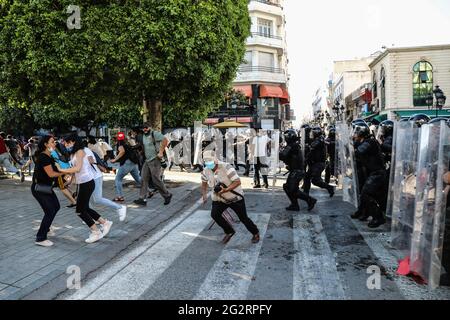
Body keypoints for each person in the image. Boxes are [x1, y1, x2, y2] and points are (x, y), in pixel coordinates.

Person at [58, 134, 113, 243]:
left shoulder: (80, 152)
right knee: (85, 208)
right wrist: (70, 180)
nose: (66, 145)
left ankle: (95, 232)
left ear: (74, 142)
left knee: (80, 210)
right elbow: (75, 169)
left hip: (87, 183)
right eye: (65, 143)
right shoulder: (73, 153)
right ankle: (105, 223)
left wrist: (61, 170)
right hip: (83, 183)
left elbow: (77, 168)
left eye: (68, 142)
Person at [201, 151, 260, 244]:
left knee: (243, 218)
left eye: (209, 160)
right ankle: (229, 231)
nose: (208, 163)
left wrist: (226, 190)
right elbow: (204, 183)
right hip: (219, 199)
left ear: (215, 159)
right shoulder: (205, 171)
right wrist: (204, 195)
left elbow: (237, 181)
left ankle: (255, 233)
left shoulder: (226, 167)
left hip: (234, 198)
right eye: (206, 161)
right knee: (215, 214)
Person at [31, 136, 65, 247]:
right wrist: (65, 172)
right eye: (52, 142)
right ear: (46, 144)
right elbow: (51, 174)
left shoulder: (49, 156)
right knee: (50, 210)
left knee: (55, 207)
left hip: (46, 187)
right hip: (40, 188)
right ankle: (40, 238)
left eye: (54, 141)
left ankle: (46, 228)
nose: (54, 144)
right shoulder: (43, 157)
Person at [350, 125, 387, 228]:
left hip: (377, 173)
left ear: (361, 133)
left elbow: (357, 152)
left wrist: (349, 146)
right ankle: (364, 212)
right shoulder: (365, 141)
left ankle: (378, 217)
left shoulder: (369, 142)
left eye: (356, 133)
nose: (354, 134)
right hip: (373, 172)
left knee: (366, 194)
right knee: (365, 193)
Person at [134, 122, 172, 206]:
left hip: (155, 159)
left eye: (146, 127)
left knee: (156, 180)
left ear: (150, 127)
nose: (145, 129)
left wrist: (161, 152)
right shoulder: (143, 136)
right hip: (147, 160)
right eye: (143, 128)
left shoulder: (155, 134)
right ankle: (142, 199)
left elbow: (165, 140)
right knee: (143, 179)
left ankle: (167, 195)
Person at [280, 129, 317, 212]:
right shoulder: (294, 145)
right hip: (296, 171)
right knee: (287, 187)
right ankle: (295, 205)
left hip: (297, 171)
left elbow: (283, 155)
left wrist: (276, 151)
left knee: (292, 189)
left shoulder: (292, 146)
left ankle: (310, 200)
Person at [303, 126, 335, 197]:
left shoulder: (320, 139)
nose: (312, 134)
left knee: (315, 181)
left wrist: (308, 146)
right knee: (307, 177)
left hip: (318, 164)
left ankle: (329, 187)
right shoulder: (317, 139)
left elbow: (313, 145)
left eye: (313, 133)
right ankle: (305, 195)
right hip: (315, 163)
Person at [110, 132, 142, 202]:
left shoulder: (120, 144)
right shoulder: (127, 143)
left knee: (118, 179)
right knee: (138, 179)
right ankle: (149, 191)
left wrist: (115, 160)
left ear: (117, 138)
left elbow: (122, 152)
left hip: (126, 164)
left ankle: (120, 196)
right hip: (133, 163)